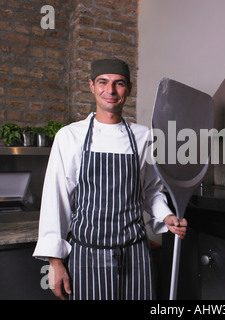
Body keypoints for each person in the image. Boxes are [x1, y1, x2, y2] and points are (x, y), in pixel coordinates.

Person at [33, 58, 187, 300]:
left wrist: (165, 215)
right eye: (103, 82)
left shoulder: (143, 136)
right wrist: (55, 261)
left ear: (129, 89)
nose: (111, 91)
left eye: (119, 83)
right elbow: (56, 199)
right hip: (87, 254)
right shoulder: (70, 136)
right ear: (92, 86)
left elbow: (150, 191)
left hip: (135, 253)